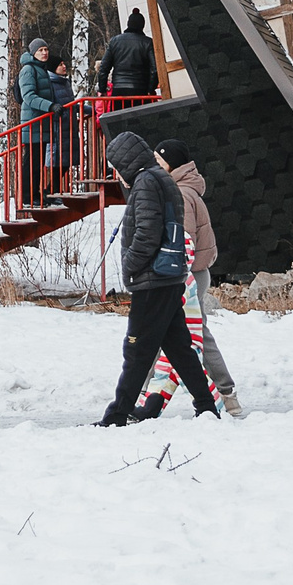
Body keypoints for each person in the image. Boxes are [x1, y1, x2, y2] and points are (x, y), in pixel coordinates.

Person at [94, 132, 218, 426]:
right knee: (179, 348)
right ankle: (206, 407)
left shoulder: (146, 183)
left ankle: (117, 415)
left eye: (116, 165)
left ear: (125, 162)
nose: (116, 172)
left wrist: (130, 265)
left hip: (152, 278)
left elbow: (147, 233)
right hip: (169, 276)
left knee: (136, 350)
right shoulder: (160, 178)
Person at [134, 138, 242, 419]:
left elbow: (183, 242)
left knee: (160, 332)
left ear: (173, 164)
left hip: (185, 275)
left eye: (159, 161)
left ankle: (139, 397)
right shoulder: (183, 189)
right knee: (193, 335)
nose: (154, 165)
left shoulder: (180, 194)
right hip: (194, 273)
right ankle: (226, 396)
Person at [16, 38, 62, 201]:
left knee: (38, 162)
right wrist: (50, 106)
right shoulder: (29, 70)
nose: (44, 53)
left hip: (41, 123)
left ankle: (34, 194)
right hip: (33, 123)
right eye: (40, 50)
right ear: (33, 53)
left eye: (46, 49)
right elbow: (28, 96)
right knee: (32, 162)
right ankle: (28, 196)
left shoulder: (41, 69)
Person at [97, 9, 159, 99]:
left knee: (119, 113)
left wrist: (102, 89)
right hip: (140, 89)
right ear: (142, 26)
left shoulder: (115, 41)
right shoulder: (148, 42)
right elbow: (154, 69)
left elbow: (103, 68)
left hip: (118, 89)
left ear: (128, 24)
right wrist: (151, 89)